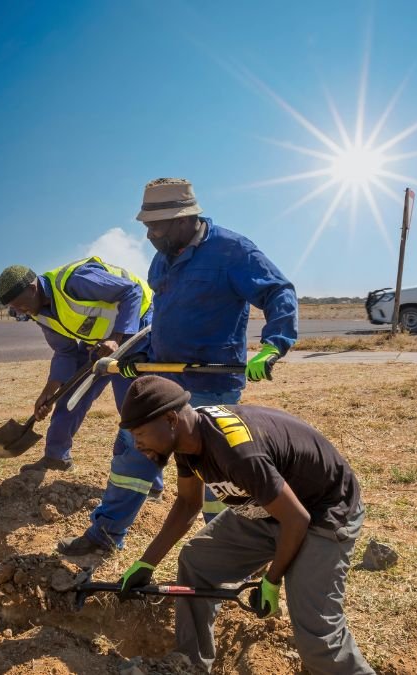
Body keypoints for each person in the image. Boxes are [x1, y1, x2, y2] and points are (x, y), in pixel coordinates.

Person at [117, 376, 374, 674]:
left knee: (317, 635)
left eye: (140, 434)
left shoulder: (236, 452)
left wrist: (272, 580)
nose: (137, 445)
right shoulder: (188, 440)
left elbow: (297, 519)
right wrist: (146, 564)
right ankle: (191, 665)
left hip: (321, 512)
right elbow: (188, 504)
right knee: (197, 562)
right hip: (269, 508)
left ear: (171, 418)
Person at [120, 177, 299, 519]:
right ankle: (105, 534)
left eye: (156, 227)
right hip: (164, 379)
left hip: (210, 385)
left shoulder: (232, 251)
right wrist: (144, 353)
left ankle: (224, 546)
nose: (149, 236)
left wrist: (273, 344)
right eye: (147, 227)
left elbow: (278, 292)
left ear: (184, 219)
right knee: (133, 448)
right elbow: (162, 313)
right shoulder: (162, 260)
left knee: (214, 473)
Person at [0, 259, 158, 555]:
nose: (19, 311)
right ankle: (57, 456)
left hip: (137, 329)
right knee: (73, 395)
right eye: (14, 308)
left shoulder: (75, 281)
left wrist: (115, 337)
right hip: (100, 341)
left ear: (33, 288)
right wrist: (51, 388)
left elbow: (132, 292)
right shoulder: (38, 311)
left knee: (132, 408)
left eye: (20, 304)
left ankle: (153, 483)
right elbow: (64, 350)